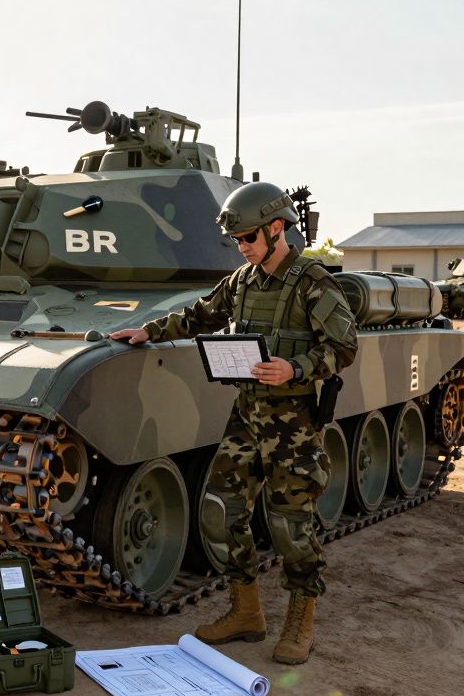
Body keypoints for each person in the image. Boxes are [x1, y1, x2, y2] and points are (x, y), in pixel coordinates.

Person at [109, 182, 358, 665]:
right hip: (247, 416)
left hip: (292, 423)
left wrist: (296, 368)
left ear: (276, 227)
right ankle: (246, 612)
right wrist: (149, 330)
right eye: (236, 240)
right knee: (219, 513)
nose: (241, 247)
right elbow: (201, 315)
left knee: (290, 525)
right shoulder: (242, 281)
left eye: (248, 237)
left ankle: (300, 621)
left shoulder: (312, 282)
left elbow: (344, 347)